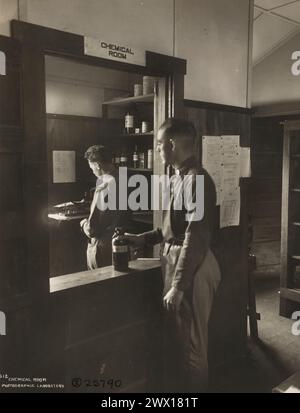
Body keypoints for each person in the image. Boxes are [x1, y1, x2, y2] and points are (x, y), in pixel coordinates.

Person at [119, 118, 221, 392]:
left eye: (160, 144)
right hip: (180, 259)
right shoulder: (180, 177)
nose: (159, 149)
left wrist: (178, 285)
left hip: (193, 266)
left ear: (173, 144)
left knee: (192, 347)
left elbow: (195, 236)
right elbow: (173, 229)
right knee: (181, 343)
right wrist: (142, 238)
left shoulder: (197, 179)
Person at [80, 145, 130, 270]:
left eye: (91, 167)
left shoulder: (103, 186)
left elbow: (92, 230)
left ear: (97, 165)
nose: (92, 171)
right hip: (122, 243)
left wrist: (83, 223)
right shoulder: (125, 179)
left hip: (102, 247)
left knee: (98, 286)